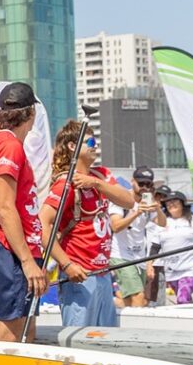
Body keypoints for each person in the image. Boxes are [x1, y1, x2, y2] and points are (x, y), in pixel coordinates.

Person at [40, 119, 135, 328]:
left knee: (105, 340)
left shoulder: (101, 175)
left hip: (103, 274)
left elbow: (129, 201)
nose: (95, 146)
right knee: (78, 339)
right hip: (80, 277)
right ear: (72, 146)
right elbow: (42, 225)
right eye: (90, 142)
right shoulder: (66, 184)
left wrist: (96, 183)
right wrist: (67, 265)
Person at [0, 81, 47, 341]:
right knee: (11, 329)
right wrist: (27, 261)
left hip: (15, 244)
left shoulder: (5, 143)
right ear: (31, 113)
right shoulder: (9, 146)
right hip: (9, 245)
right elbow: (4, 207)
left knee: (26, 326)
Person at [112, 169, 160, 310]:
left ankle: (107, 304)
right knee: (139, 297)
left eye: (148, 184)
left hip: (139, 257)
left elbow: (162, 223)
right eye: (141, 183)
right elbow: (115, 226)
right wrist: (137, 211)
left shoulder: (147, 201)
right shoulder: (121, 199)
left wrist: (158, 208)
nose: (144, 187)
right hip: (120, 255)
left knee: (135, 301)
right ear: (132, 181)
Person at [151, 193, 193, 304]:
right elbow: (155, 246)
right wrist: (150, 265)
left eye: (175, 201)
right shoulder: (162, 222)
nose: (171, 204)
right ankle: (192, 314)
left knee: (182, 298)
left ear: (183, 203)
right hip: (171, 269)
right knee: (183, 298)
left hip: (191, 268)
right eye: (168, 202)